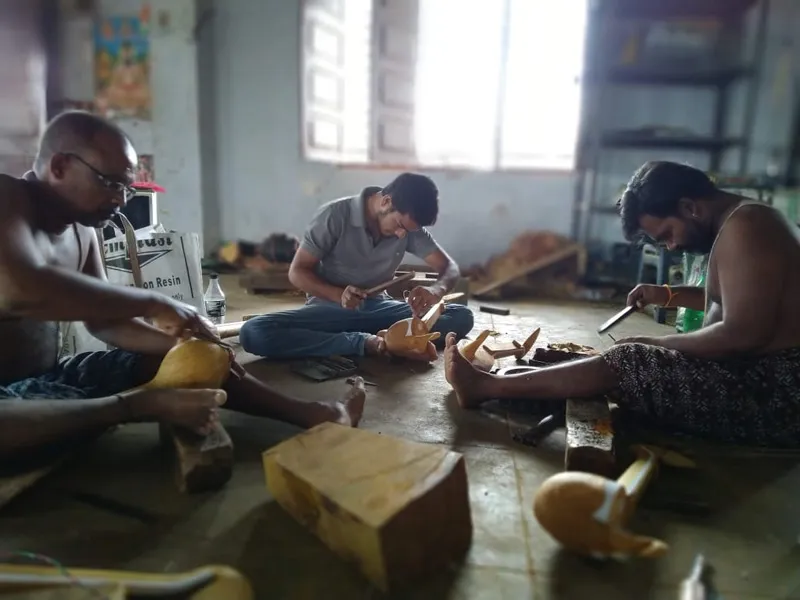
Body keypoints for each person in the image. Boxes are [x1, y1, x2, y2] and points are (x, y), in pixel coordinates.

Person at [0, 110, 365, 460]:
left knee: (190, 355)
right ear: (60, 166)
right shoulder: (7, 198)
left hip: (43, 384)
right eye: (110, 183)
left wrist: (189, 348)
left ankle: (314, 414)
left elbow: (105, 321)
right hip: (9, 405)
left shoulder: (82, 230)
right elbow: (20, 291)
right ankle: (130, 408)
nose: (120, 201)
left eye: (127, 189)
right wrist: (153, 302)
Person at [444, 161, 800, 447]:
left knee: (629, 359)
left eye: (667, 235)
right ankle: (510, 387)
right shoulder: (739, 224)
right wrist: (668, 294)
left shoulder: (748, 227)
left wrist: (658, 343)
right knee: (593, 367)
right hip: (746, 374)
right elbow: (737, 300)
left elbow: (745, 333)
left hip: (773, 394)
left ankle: (484, 388)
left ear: (690, 207)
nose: (671, 247)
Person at [240, 174, 474, 361]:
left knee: (461, 316)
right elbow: (297, 272)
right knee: (254, 331)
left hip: (379, 309)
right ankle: (367, 343)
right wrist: (337, 294)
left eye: (409, 231)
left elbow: (449, 267)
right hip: (330, 311)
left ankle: (388, 341)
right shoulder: (334, 216)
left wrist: (436, 290)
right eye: (400, 225)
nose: (403, 235)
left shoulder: (407, 228)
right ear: (386, 202)